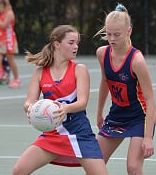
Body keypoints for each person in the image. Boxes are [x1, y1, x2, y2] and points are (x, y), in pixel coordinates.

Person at [12, 25, 108, 175]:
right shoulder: (40, 72)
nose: (75, 47)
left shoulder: (79, 69)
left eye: (77, 43)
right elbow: (29, 102)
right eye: (71, 43)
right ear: (57, 44)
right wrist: (30, 108)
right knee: (18, 171)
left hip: (79, 133)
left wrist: (65, 108)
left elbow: (82, 103)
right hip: (53, 134)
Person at [94, 3, 156, 175]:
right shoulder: (102, 53)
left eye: (117, 34)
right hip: (117, 114)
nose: (112, 39)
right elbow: (105, 82)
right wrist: (99, 112)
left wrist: (148, 137)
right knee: (95, 162)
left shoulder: (136, 61)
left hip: (139, 118)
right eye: (108, 34)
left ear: (128, 31)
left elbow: (151, 100)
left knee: (133, 167)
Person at [0, 0, 20, 88]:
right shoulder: (3, 13)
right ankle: (3, 74)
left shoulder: (9, 13)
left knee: (10, 60)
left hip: (9, 40)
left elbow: (3, 26)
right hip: (3, 39)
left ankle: (16, 79)